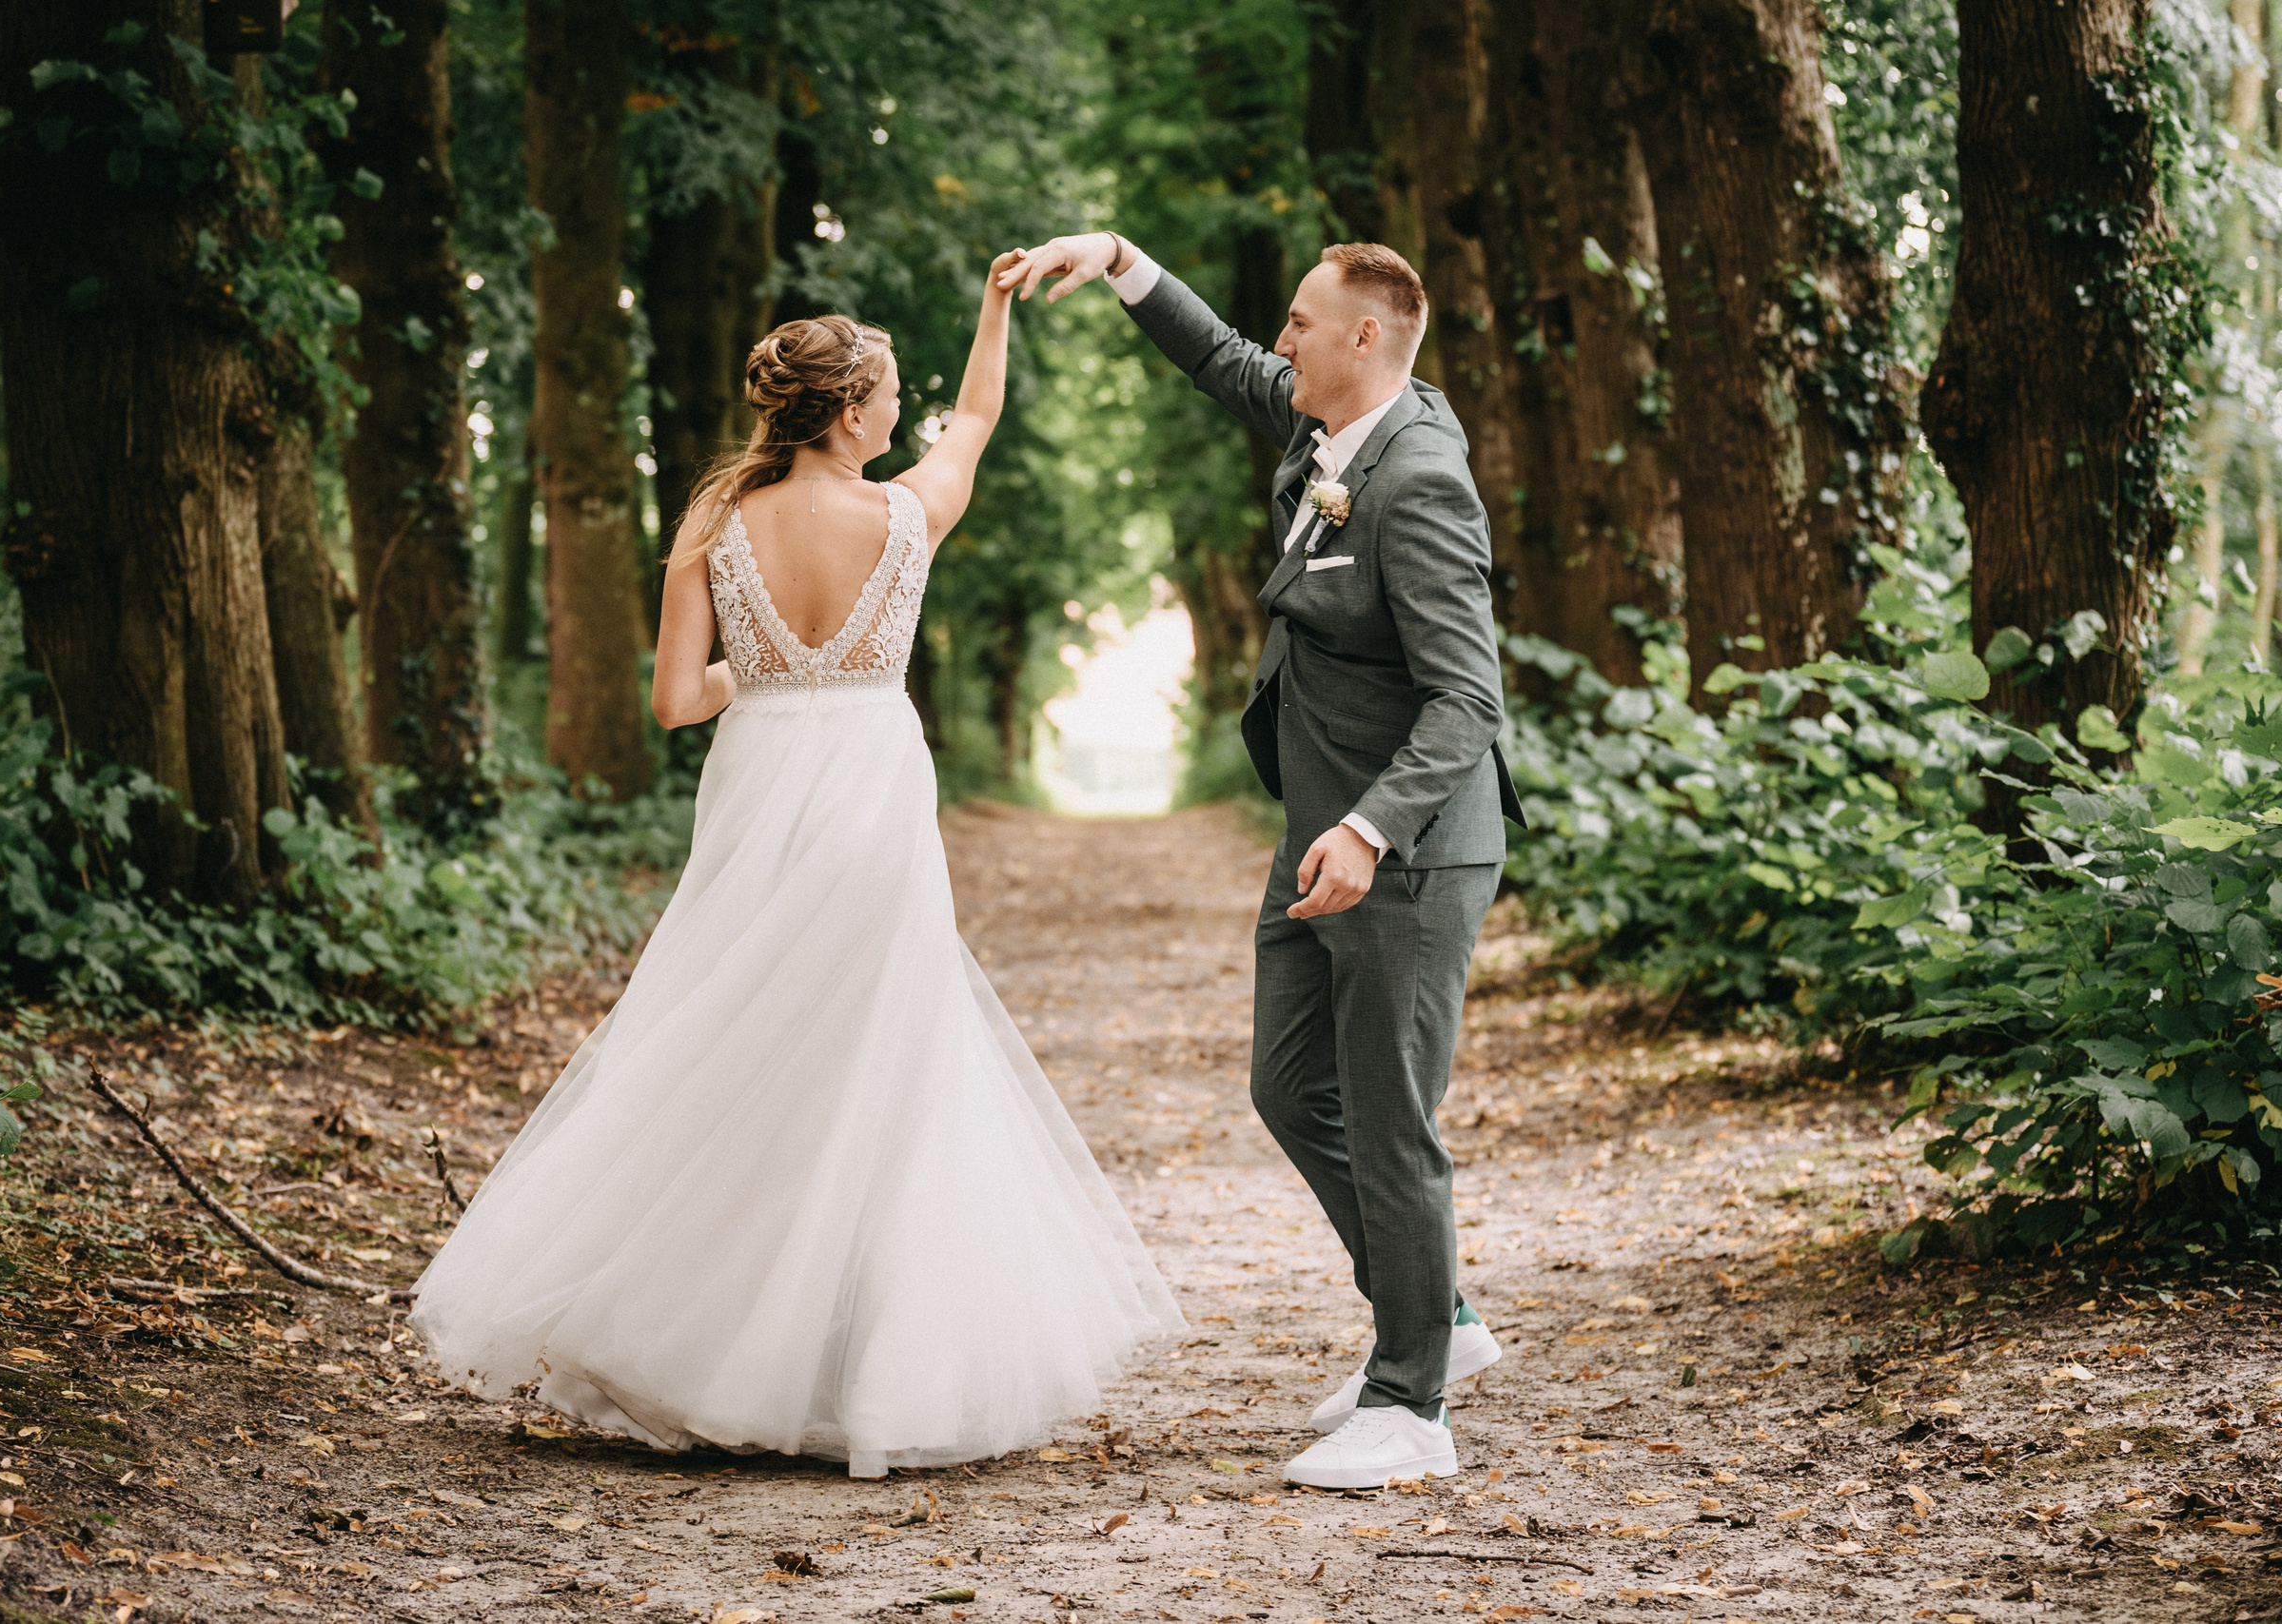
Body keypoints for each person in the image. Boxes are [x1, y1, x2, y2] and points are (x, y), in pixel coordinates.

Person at [406, 250, 1183, 1480]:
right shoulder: (907, 516)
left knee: (736, 1037)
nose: (902, 413)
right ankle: (860, 1370)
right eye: (888, 398)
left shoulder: (714, 522)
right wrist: (994, 308)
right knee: (880, 1056)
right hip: (874, 781)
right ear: (847, 414)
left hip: (761, 782)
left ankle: (696, 1346)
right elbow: (978, 419)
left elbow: (675, 702)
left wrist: (765, 674)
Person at [998, 232, 1525, 1490]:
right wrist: (1119, 262)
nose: (1279, 340)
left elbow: (1466, 697)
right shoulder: (1328, 423)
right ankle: (1437, 1318)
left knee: (1392, 1120)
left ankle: (1413, 1408)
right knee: (1292, 1089)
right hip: (1318, 835)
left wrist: (1368, 828)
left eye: (1300, 322)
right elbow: (1223, 359)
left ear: (1364, 338)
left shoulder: (1419, 481)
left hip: (1402, 853)